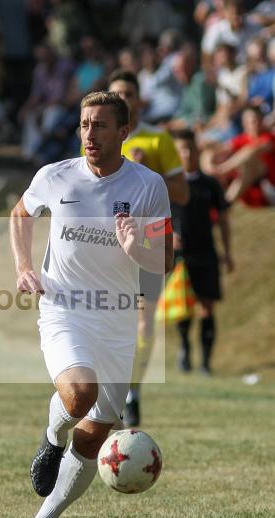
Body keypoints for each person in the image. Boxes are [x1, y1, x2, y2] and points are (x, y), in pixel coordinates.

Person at [10, 91, 172, 518]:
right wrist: (24, 266)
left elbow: (164, 260)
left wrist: (134, 249)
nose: (89, 134)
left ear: (124, 132)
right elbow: (20, 214)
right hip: (64, 308)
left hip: (118, 320)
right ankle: (50, 436)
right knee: (80, 394)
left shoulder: (148, 185)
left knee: (95, 434)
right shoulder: (56, 176)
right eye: (84, 124)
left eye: (100, 125)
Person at [106, 69, 188, 426]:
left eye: (128, 93)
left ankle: (132, 392)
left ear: (139, 100)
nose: (122, 99)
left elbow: (183, 192)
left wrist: (145, 173)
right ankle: (110, 390)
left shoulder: (158, 140)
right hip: (105, 245)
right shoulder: (97, 136)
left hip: (150, 241)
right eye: (116, 93)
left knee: (143, 325)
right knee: (106, 322)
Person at [171, 129, 233, 375]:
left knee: (207, 307)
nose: (186, 154)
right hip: (178, 256)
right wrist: (164, 236)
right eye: (180, 150)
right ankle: (184, 348)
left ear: (197, 150)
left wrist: (228, 252)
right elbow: (152, 217)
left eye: (189, 148)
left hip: (206, 253)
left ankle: (206, 363)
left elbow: (225, 219)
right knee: (182, 308)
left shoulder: (210, 184)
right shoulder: (168, 184)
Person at [201, 105, 275, 207]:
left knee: (250, 164)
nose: (252, 124)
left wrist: (223, 170)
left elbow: (253, 150)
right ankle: (216, 201)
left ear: (262, 120)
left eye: (255, 120)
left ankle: (225, 203)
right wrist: (209, 166)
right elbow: (215, 151)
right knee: (217, 155)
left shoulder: (271, 138)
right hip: (256, 193)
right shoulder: (243, 138)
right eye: (248, 121)